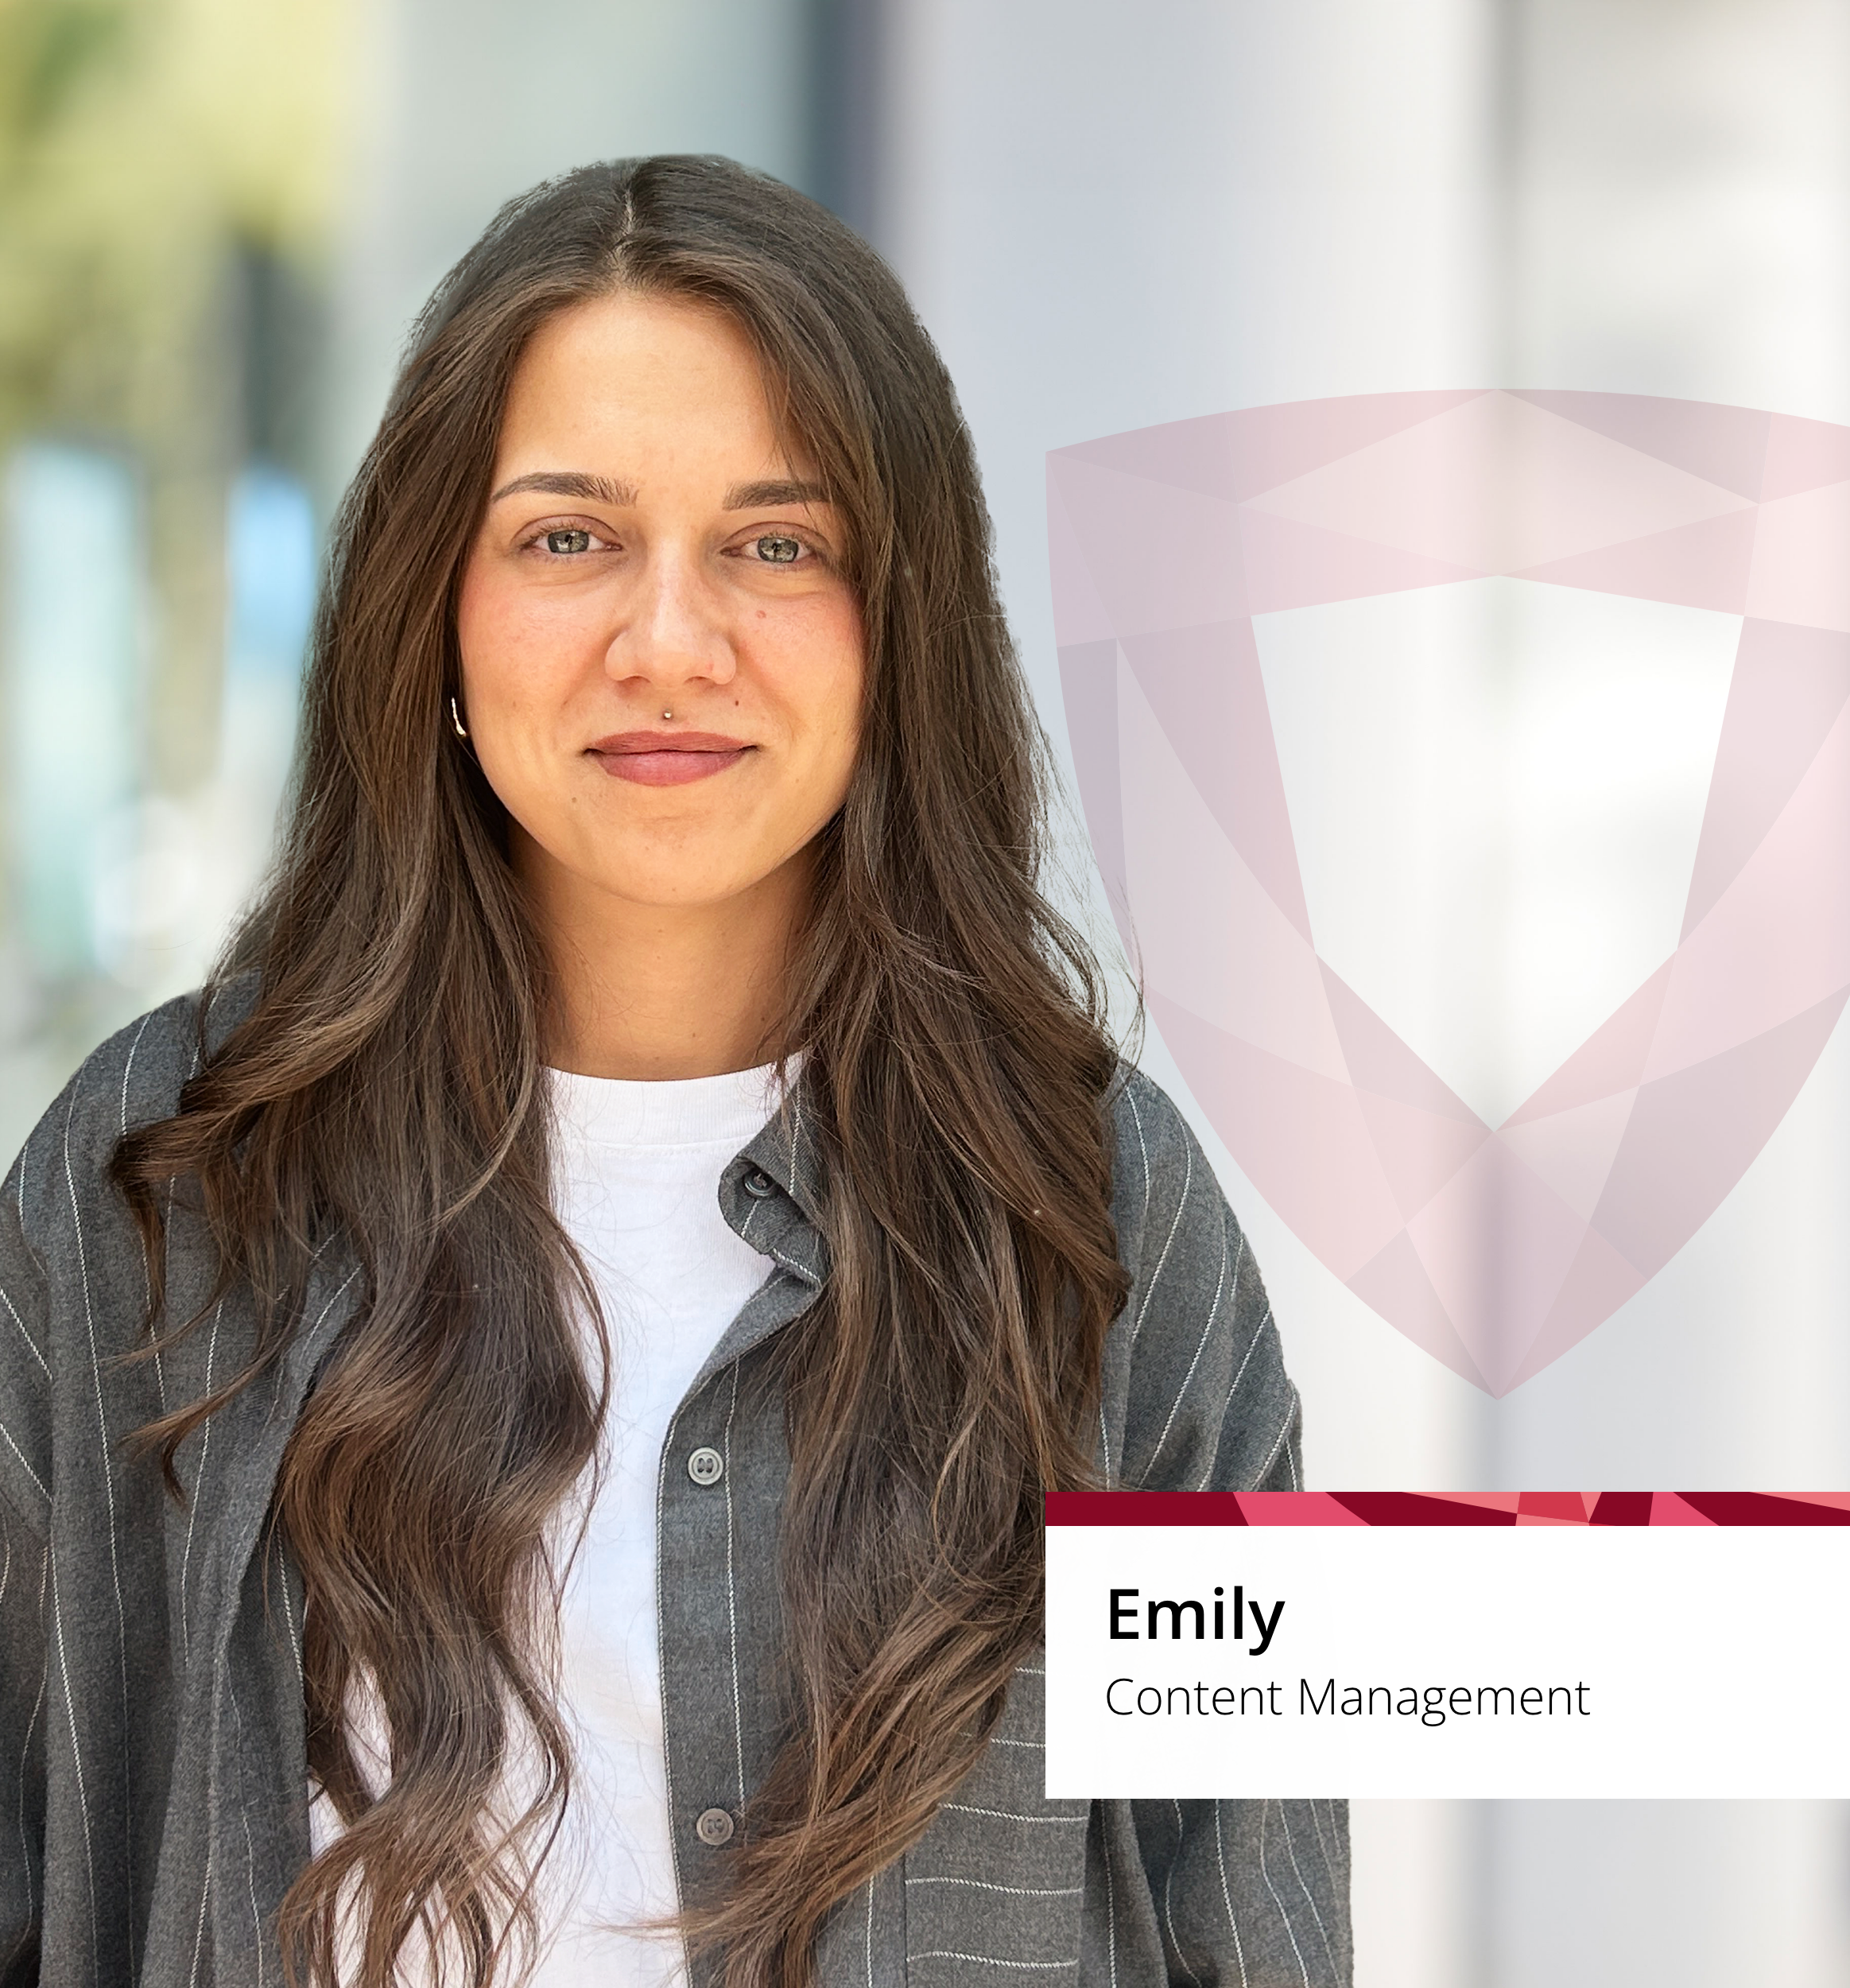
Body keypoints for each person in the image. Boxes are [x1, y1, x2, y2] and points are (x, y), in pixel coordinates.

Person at [0, 157, 1348, 1988]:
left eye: (773, 543)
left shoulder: (1095, 1207)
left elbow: (1246, 1916)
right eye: (569, 536)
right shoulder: (160, 1182)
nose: (668, 642)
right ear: (438, 607)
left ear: (896, 626)